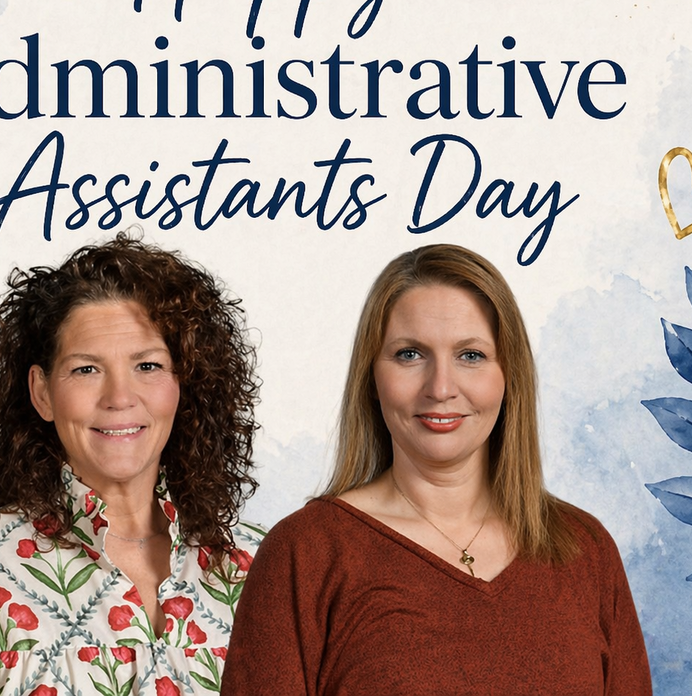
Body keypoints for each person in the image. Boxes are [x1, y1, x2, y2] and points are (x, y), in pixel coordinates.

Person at [221, 244, 652, 695]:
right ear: (372, 376)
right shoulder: (306, 553)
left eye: (471, 355)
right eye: (410, 354)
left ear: (509, 375)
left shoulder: (585, 549)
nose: (441, 387)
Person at [0, 234, 263, 696]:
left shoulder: (258, 567)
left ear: (184, 383)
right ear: (43, 392)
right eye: (86, 369)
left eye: (147, 366)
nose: (119, 398)